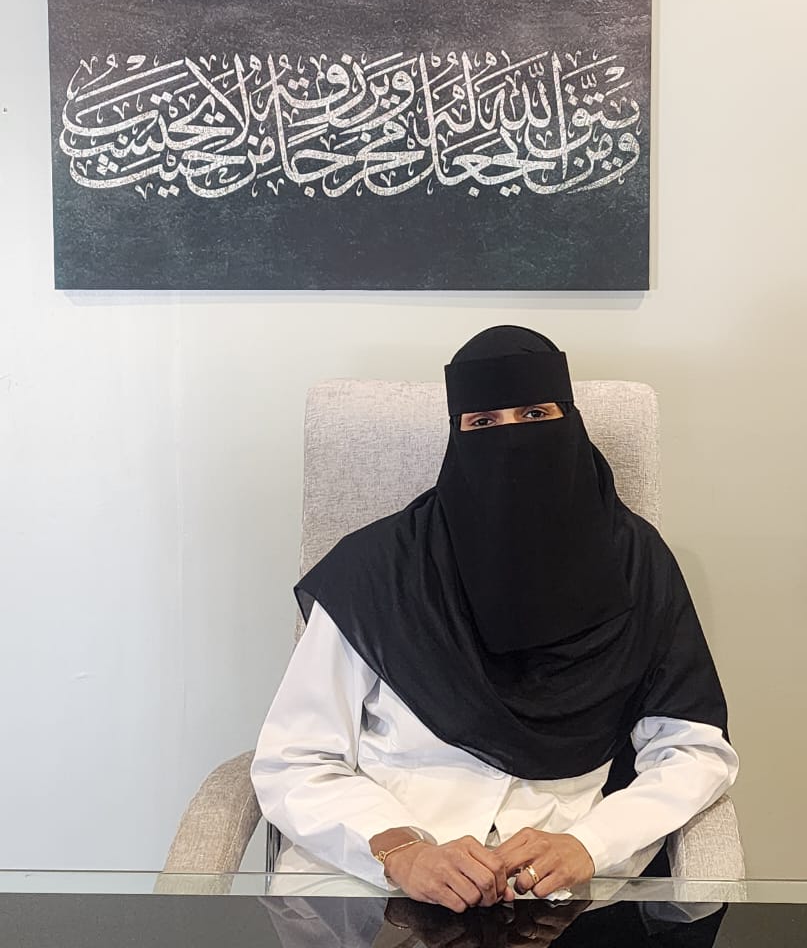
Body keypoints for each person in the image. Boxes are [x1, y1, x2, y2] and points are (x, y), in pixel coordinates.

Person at [252, 326, 738, 911]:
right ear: (456, 437)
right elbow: (294, 759)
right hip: (375, 885)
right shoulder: (378, 571)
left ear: (570, 420)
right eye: (484, 422)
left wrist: (591, 842)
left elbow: (693, 747)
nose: (512, 440)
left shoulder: (636, 563)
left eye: (534, 414)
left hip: (563, 889)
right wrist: (400, 850)